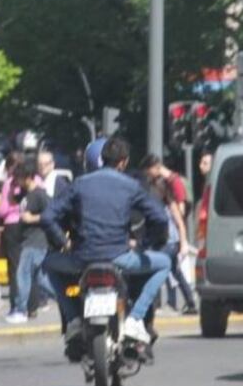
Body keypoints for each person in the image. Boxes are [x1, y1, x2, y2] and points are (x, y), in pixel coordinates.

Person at [42, 137, 171, 345]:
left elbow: (48, 217)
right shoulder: (131, 186)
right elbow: (160, 218)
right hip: (120, 258)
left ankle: (73, 319)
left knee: (48, 263)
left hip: (82, 259)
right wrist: (143, 245)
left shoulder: (79, 185)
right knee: (165, 262)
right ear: (124, 162)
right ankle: (135, 319)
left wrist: (64, 243)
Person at [140, 154, 198, 315]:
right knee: (174, 270)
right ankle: (191, 302)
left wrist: (184, 242)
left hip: (169, 240)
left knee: (156, 268)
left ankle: (155, 304)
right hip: (172, 240)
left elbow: (180, 216)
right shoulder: (165, 196)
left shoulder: (168, 193)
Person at [6, 164, 53, 324]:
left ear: (26, 177)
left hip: (35, 242)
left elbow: (51, 215)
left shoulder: (39, 195)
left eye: (18, 179)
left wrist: (32, 218)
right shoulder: (27, 194)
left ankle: (20, 310)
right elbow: (12, 200)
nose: (16, 183)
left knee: (23, 274)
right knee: (42, 280)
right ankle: (68, 298)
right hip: (28, 240)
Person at [0, 151, 28, 321]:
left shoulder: (9, 183)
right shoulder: (35, 179)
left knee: (15, 269)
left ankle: (16, 305)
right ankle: (31, 305)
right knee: (29, 266)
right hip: (30, 227)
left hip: (12, 226)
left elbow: (2, 210)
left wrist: (11, 209)